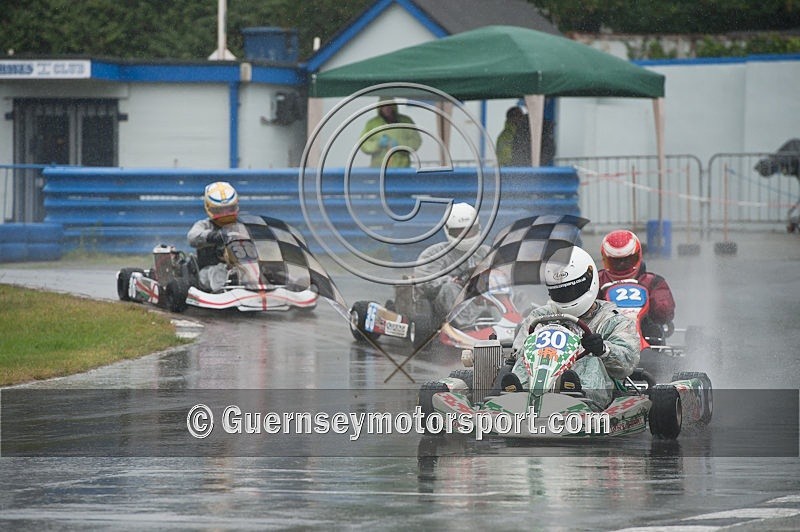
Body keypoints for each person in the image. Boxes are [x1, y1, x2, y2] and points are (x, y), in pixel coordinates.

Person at [510, 246, 640, 408]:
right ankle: (514, 395)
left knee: (591, 362)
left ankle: (575, 393)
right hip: (540, 376)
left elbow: (627, 362)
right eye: (560, 292)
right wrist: (535, 350)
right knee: (524, 361)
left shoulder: (612, 319)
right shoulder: (540, 317)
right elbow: (518, 351)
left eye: (571, 290)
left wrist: (603, 349)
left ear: (589, 281)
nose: (566, 296)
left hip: (588, 397)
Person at [410, 202, 490, 327]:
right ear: (448, 230)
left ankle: (513, 321)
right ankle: (468, 325)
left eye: (470, 231)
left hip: (481, 302)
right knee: (450, 289)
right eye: (460, 232)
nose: (466, 235)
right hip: (441, 309)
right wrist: (454, 281)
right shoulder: (434, 254)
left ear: (478, 228)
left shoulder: (486, 252)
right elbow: (424, 283)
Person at [597, 230, 676, 343]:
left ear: (638, 256)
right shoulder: (597, 281)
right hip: (604, 340)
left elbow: (665, 313)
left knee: (653, 326)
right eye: (615, 261)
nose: (622, 265)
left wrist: (652, 305)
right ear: (605, 259)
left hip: (647, 339)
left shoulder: (653, 282)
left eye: (627, 260)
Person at [187, 181, 240, 293]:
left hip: (240, 268)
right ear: (209, 208)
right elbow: (192, 237)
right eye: (220, 210)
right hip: (208, 270)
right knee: (219, 270)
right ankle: (222, 292)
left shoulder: (242, 225)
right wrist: (212, 236)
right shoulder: (205, 225)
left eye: (229, 209)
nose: (225, 214)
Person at [360, 97, 422, 168]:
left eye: (389, 105)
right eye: (383, 106)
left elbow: (416, 141)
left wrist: (400, 145)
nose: (387, 108)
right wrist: (378, 144)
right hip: (378, 168)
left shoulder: (406, 121)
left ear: (394, 106)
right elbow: (363, 143)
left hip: (402, 168)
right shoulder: (372, 124)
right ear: (379, 108)